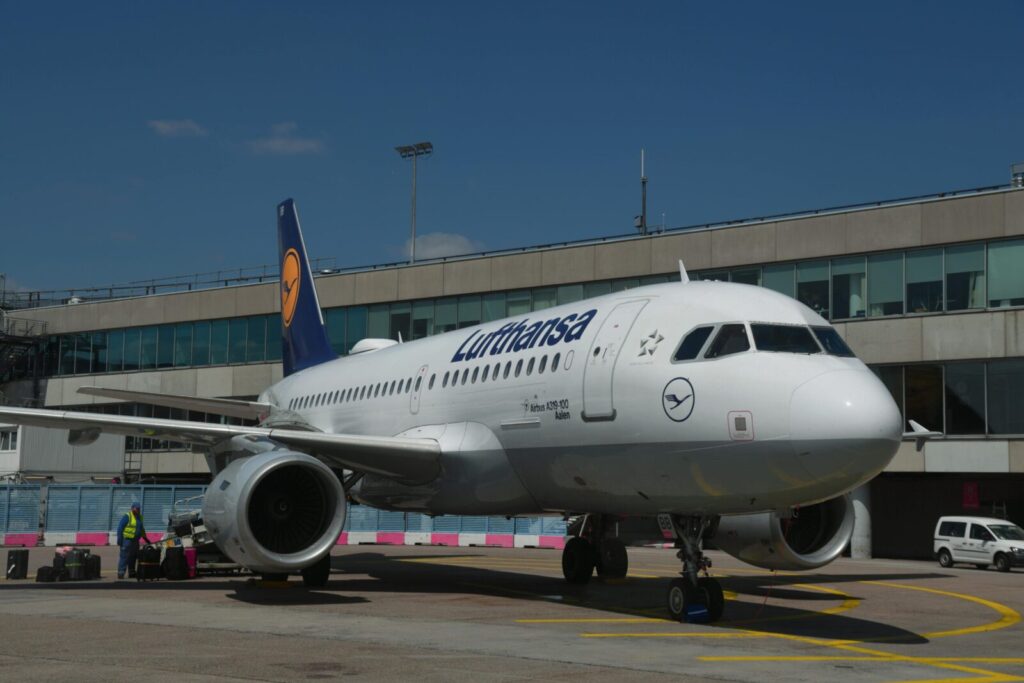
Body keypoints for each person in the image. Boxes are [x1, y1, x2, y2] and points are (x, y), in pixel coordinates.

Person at [116, 502, 151, 579]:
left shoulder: (140, 517)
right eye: (137, 508)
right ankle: (121, 572)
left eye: (139, 508)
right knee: (124, 556)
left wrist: (146, 539)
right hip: (127, 540)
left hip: (135, 541)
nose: (138, 510)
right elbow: (120, 528)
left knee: (133, 557)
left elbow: (141, 529)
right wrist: (119, 540)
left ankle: (132, 572)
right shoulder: (127, 516)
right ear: (132, 508)